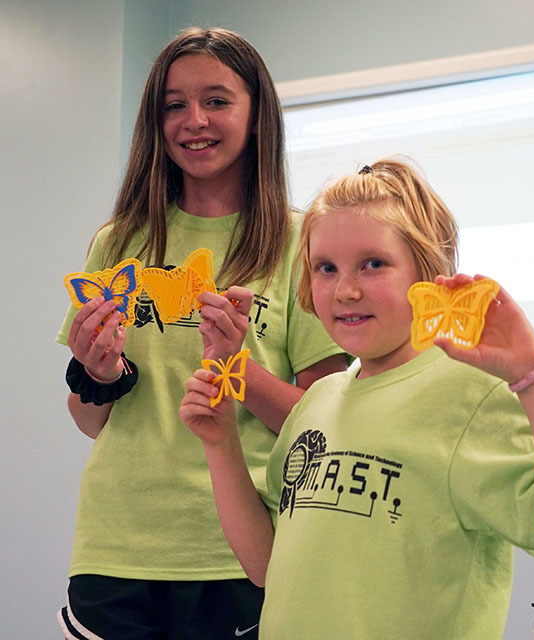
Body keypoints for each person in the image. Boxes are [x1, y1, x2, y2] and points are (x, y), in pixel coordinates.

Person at [179, 157, 534, 639]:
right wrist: (221, 444)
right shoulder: (317, 401)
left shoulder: (468, 393)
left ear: (426, 273)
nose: (345, 290)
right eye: (325, 268)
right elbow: (266, 565)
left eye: (373, 264)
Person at [56, 27, 346, 640]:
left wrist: (236, 366)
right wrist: (99, 374)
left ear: (257, 114)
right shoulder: (117, 242)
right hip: (117, 546)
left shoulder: (305, 243)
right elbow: (88, 419)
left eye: (217, 100)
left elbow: (321, 426)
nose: (194, 120)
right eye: (174, 104)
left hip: (243, 551)